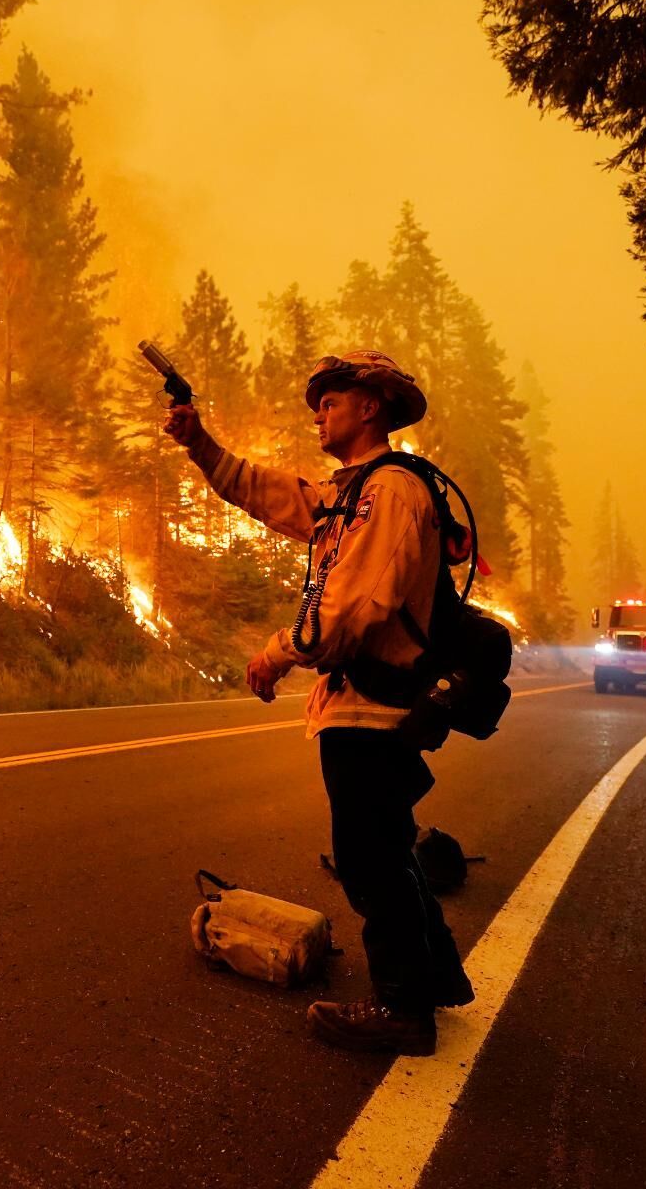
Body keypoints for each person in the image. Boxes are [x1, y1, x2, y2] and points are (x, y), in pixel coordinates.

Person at [164, 350, 474, 1056]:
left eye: (331, 398)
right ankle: (434, 980)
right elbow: (263, 491)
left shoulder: (388, 492)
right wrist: (199, 443)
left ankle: (403, 1009)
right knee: (386, 848)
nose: (318, 410)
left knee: (368, 858)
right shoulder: (350, 494)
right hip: (361, 705)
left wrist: (276, 652)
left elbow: (354, 609)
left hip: (375, 708)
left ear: (371, 406)